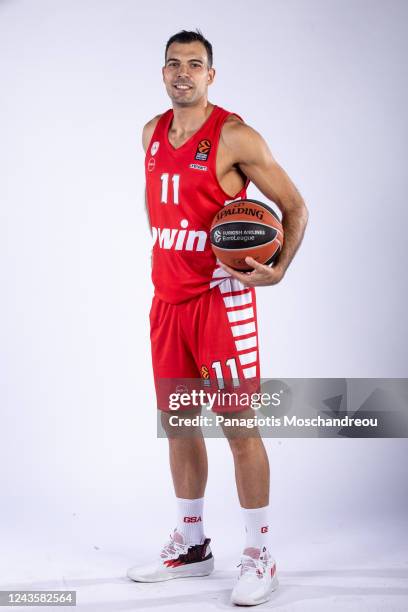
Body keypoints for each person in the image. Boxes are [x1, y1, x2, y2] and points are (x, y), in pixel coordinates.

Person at [127, 29, 308, 606]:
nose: (183, 73)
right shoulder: (151, 134)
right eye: (174, 64)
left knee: (239, 427)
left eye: (195, 65)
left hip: (220, 304)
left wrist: (277, 267)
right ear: (163, 73)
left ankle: (259, 554)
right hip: (167, 304)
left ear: (211, 75)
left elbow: (295, 205)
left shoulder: (234, 135)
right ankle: (192, 546)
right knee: (179, 423)